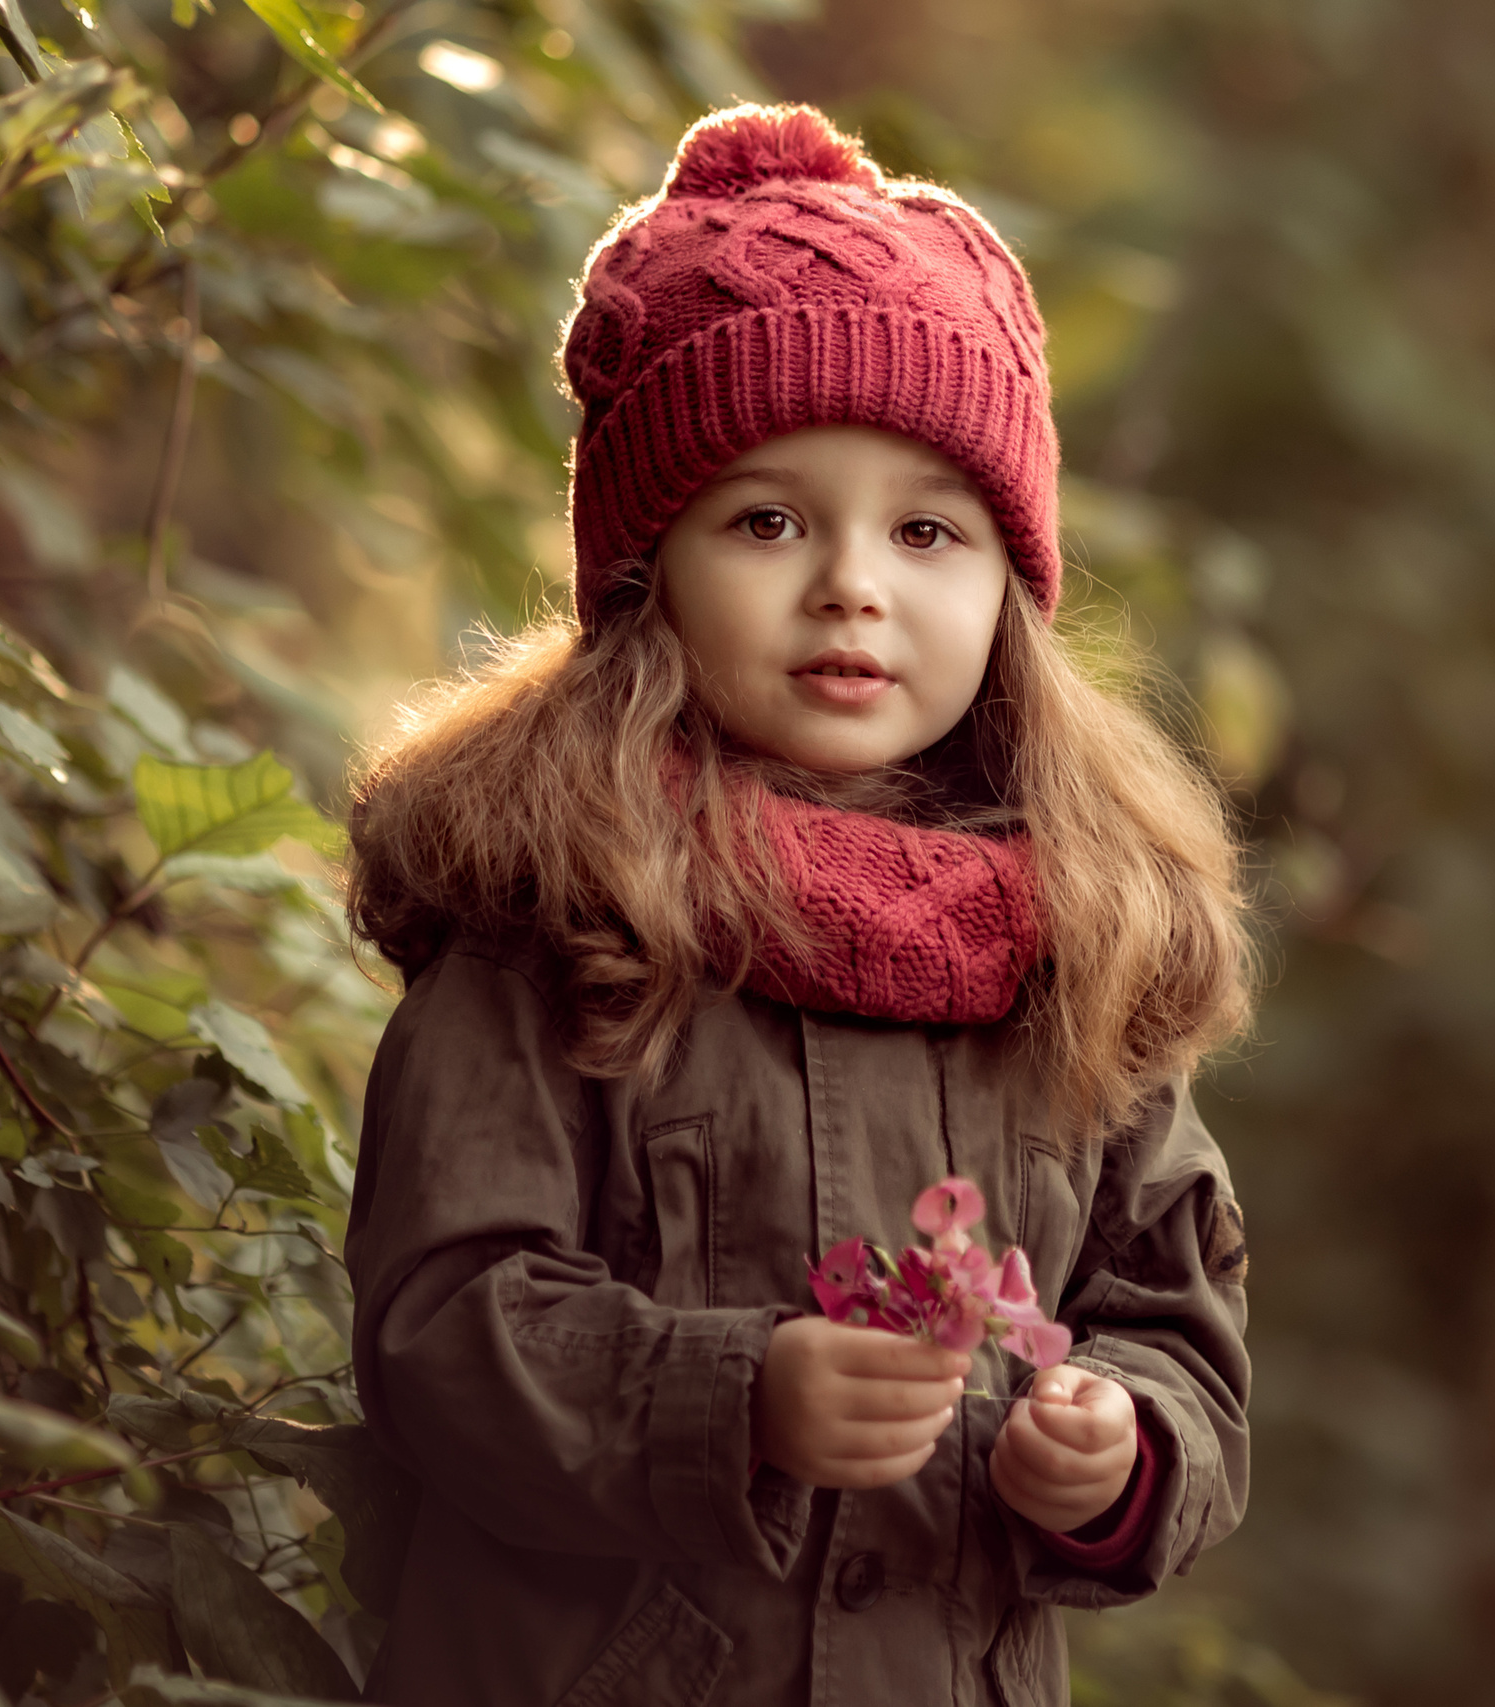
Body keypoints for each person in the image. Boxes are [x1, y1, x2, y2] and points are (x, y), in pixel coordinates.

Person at [341, 102, 1255, 1707]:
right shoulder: (560, 916)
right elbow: (443, 1324)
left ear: (1007, 589)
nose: (852, 582)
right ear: (649, 574)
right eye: (768, 520)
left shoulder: (1082, 941)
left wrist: (1123, 1447)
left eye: (928, 530)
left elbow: (1175, 1327)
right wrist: (732, 1397)